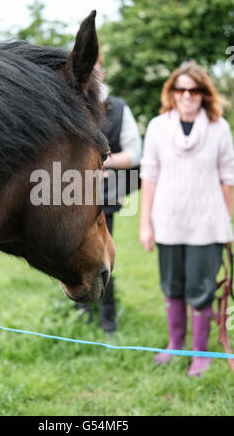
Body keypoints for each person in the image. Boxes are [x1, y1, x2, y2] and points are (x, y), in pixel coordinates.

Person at [139, 61, 234, 376]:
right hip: (168, 220)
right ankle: (176, 343)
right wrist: (145, 223)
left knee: (201, 287)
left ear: (203, 94)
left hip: (207, 224)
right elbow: (149, 175)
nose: (187, 95)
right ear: (172, 93)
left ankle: (201, 352)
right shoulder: (157, 127)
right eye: (181, 89)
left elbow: (228, 178)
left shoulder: (219, 127)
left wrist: (226, 222)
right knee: (172, 285)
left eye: (194, 90)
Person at [76, 55, 142, 333]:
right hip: (71, 192)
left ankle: (108, 319)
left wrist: (106, 161)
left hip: (107, 192)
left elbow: (135, 153)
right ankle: (80, 312)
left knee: (102, 253)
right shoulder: (74, 102)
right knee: (72, 250)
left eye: (96, 70)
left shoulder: (120, 108)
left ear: (101, 73)